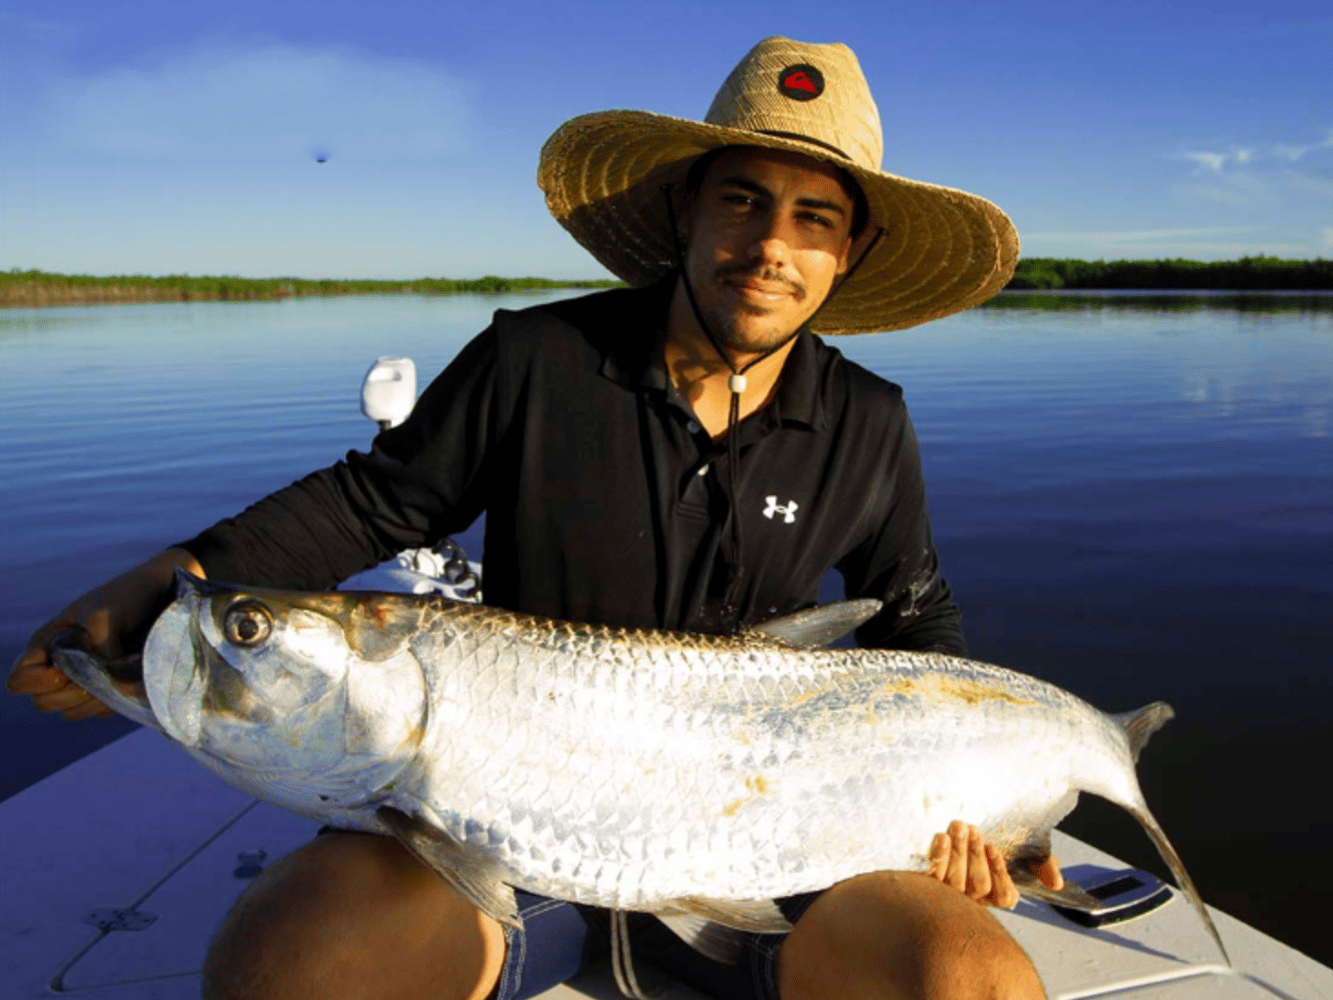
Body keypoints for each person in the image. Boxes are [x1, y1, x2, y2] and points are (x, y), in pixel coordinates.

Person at [10, 36, 1062, 1000]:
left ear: (850, 251)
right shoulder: (535, 359)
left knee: (974, 982)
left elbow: (917, 622)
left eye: (812, 217)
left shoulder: (869, 419)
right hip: (491, 834)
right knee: (289, 966)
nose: (769, 245)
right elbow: (370, 501)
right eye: (740, 201)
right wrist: (155, 584)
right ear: (685, 214)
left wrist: (980, 807)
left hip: (782, 839)